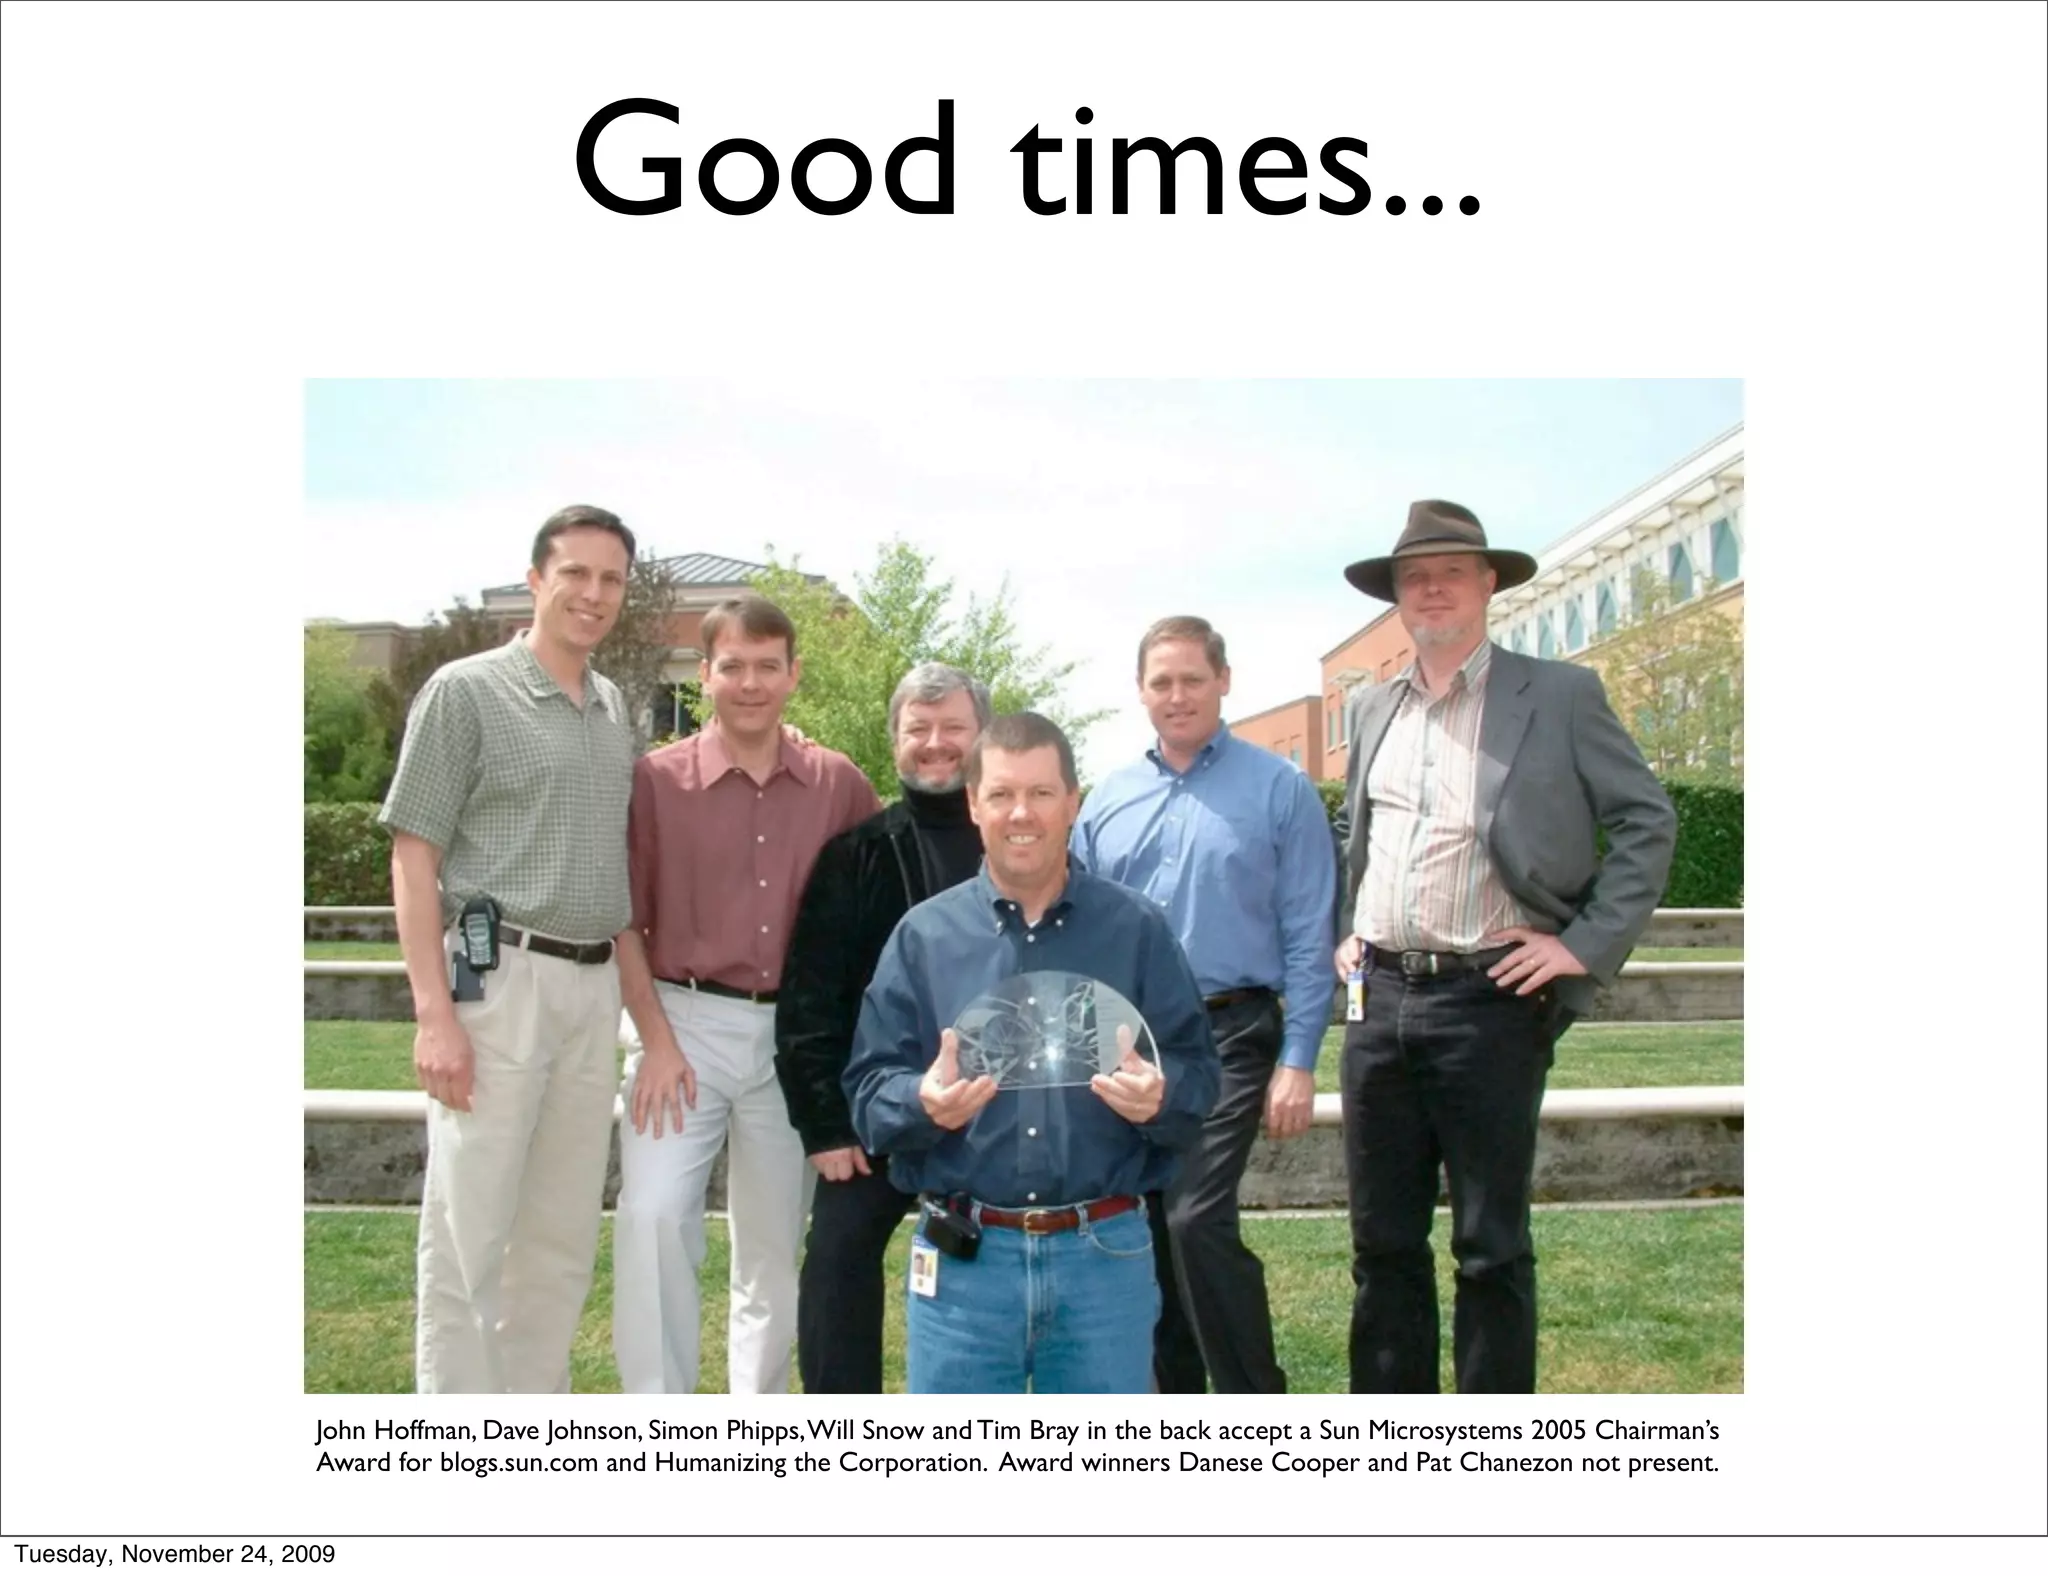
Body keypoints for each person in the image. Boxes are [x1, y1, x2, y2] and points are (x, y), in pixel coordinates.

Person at [1335, 500, 1676, 1394]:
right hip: (1378, 1003)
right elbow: (1357, 836)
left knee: (1490, 1247)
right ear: (1396, 597)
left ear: (1489, 583)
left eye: (1452, 571)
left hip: (1491, 1001)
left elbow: (1646, 823)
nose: (1432, 588)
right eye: (1415, 576)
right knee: (1381, 1244)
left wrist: (1582, 946)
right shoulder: (1370, 709)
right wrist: (1346, 926)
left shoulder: (1560, 696)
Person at [845, 713, 1222, 1394]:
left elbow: (1200, 1074)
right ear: (974, 804)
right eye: (1002, 794)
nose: (1022, 814)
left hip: (1104, 1262)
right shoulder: (923, 938)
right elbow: (869, 1091)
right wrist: (921, 1102)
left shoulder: (1136, 930)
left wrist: (1161, 1096)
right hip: (963, 1268)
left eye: (1042, 793)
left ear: (1073, 801)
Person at [379, 504, 638, 1394]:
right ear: (536, 581)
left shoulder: (614, 708)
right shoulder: (465, 691)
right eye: (576, 574)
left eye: (611, 579)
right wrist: (433, 1016)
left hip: (592, 990)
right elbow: (414, 855)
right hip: (498, 983)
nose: (593, 594)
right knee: (469, 1232)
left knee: (560, 1238)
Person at [610, 594, 881, 1394]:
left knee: (771, 1247)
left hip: (794, 1039)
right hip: (681, 1027)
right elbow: (624, 921)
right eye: (733, 666)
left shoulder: (837, 783)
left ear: (794, 674)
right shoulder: (655, 782)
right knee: (654, 1218)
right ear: (705, 675)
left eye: (768, 666)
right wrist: (656, 1042)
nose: (751, 683)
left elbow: (879, 895)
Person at [1071, 616, 1334, 1395]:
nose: (1177, 695)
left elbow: (1309, 931)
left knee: (1195, 1218)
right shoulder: (1108, 800)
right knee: (1146, 1226)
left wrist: (1299, 1059)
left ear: (1224, 680)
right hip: (1129, 1038)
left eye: (1192, 678)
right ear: (1140, 691)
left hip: (1234, 1031)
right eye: (1162, 682)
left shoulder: (1279, 789)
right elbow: (1079, 926)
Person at [774, 663, 993, 1393]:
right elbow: (810, 1000)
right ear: (895, 738)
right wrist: (826, 1127)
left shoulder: (1019, 843)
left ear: (983, 735)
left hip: (1001, 1113)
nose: (935, 743)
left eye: (954, 727)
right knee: (836, 1256)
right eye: (917, 728)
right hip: (882, 1117)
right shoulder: (856, 855)